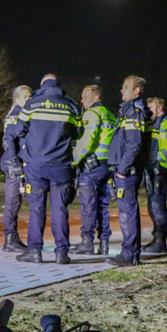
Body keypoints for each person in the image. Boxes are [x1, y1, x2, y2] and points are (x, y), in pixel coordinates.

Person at [8, 74, 82, 265]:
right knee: (60, 210)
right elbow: (79, 132)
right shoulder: (70, 105)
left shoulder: (32, 104)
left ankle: (35, 252)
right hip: (62, 166)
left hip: (36, 166)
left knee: (37, 210)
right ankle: (62, 253)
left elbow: (18, 130)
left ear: (41, 86)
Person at [106, 75, 152, 267]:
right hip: (124, 170)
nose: (121, 90)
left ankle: (130, 255)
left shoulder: (133, 111)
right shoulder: (127, 110)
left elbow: (133, 144)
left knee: (128, 213)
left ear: (137, 91)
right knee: (126, 212)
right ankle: (130, 252)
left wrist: (123, 170)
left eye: (126, 87)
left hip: (128, 171)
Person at [72, 85, 117, 256]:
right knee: (102, 207)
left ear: (96, 98)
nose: (82, 100)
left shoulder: (91, 114)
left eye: (85, 96)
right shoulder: (111, 115)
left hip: (92, 166)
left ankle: (87, 243)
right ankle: (104, 243)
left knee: (88, 206)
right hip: (107, 166)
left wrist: (75, 160)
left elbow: (86, 141)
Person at [145, 96, 167, 254]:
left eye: (151, 108)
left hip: (161, 170)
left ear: (160, 109)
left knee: (158, 207)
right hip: (152, 171)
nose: (148, 111)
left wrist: (154, 159)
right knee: (152, 207)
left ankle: (161, 243)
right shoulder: (153, 125)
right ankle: (156, 240)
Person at [1, 85, 31, 252]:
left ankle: (12, 237)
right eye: (25, 97)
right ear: (17, 98)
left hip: (20, 162)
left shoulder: (24, 115)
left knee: (16, 201)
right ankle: (10, 238)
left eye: (29, 97)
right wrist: (14, 162)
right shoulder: (15, 115)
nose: (28, 100)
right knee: (12, 202)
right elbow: (8, 141)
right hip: (14, 164)